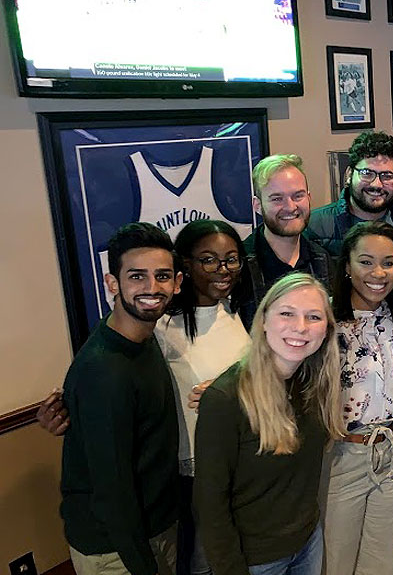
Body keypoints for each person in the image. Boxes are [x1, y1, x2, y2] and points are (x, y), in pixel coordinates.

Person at [194, 272, 345, 575]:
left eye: (313, 317)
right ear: (263, 319)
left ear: (326, 330)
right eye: (287, 313)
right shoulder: (225, 399)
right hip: (256, 560)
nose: (300, 327)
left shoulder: (313, 385)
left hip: (307, 543)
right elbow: (210, 504)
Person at [60, 223, 183, 575]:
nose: (151, 288)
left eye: (162, 276)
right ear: (112, 283)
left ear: (176, 282)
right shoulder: (105, 372)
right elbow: (112, 489)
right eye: (137, 277)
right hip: (116, 547)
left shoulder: (143, 337)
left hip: (154, 528)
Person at [161, 220, 255, 575]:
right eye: (209, 260)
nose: (223, 270)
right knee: (203, 562)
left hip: (243, 460)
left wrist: (230, 387)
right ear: (185, 264)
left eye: (231, 260)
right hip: (197, 470)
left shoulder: (235, 310)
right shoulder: (163, 326)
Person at [323, 221, 393, 575]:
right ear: (346, 266)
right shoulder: (324, 322)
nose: (378, 273)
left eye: (388, 262)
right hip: (343, 454)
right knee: (336, 562)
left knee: (380, 562)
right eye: (366, 262)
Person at [309, 131, 393, 289]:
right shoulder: (316, 225)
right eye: (367, 173)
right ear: (349, 175)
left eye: (387, 176)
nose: (377, 184)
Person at [242, 154, 331, 327]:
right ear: (257, 206)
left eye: (298, 196)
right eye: (277, 199)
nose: (290, 207)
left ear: (309, 198)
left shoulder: (322, 260)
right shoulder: (240, 264)